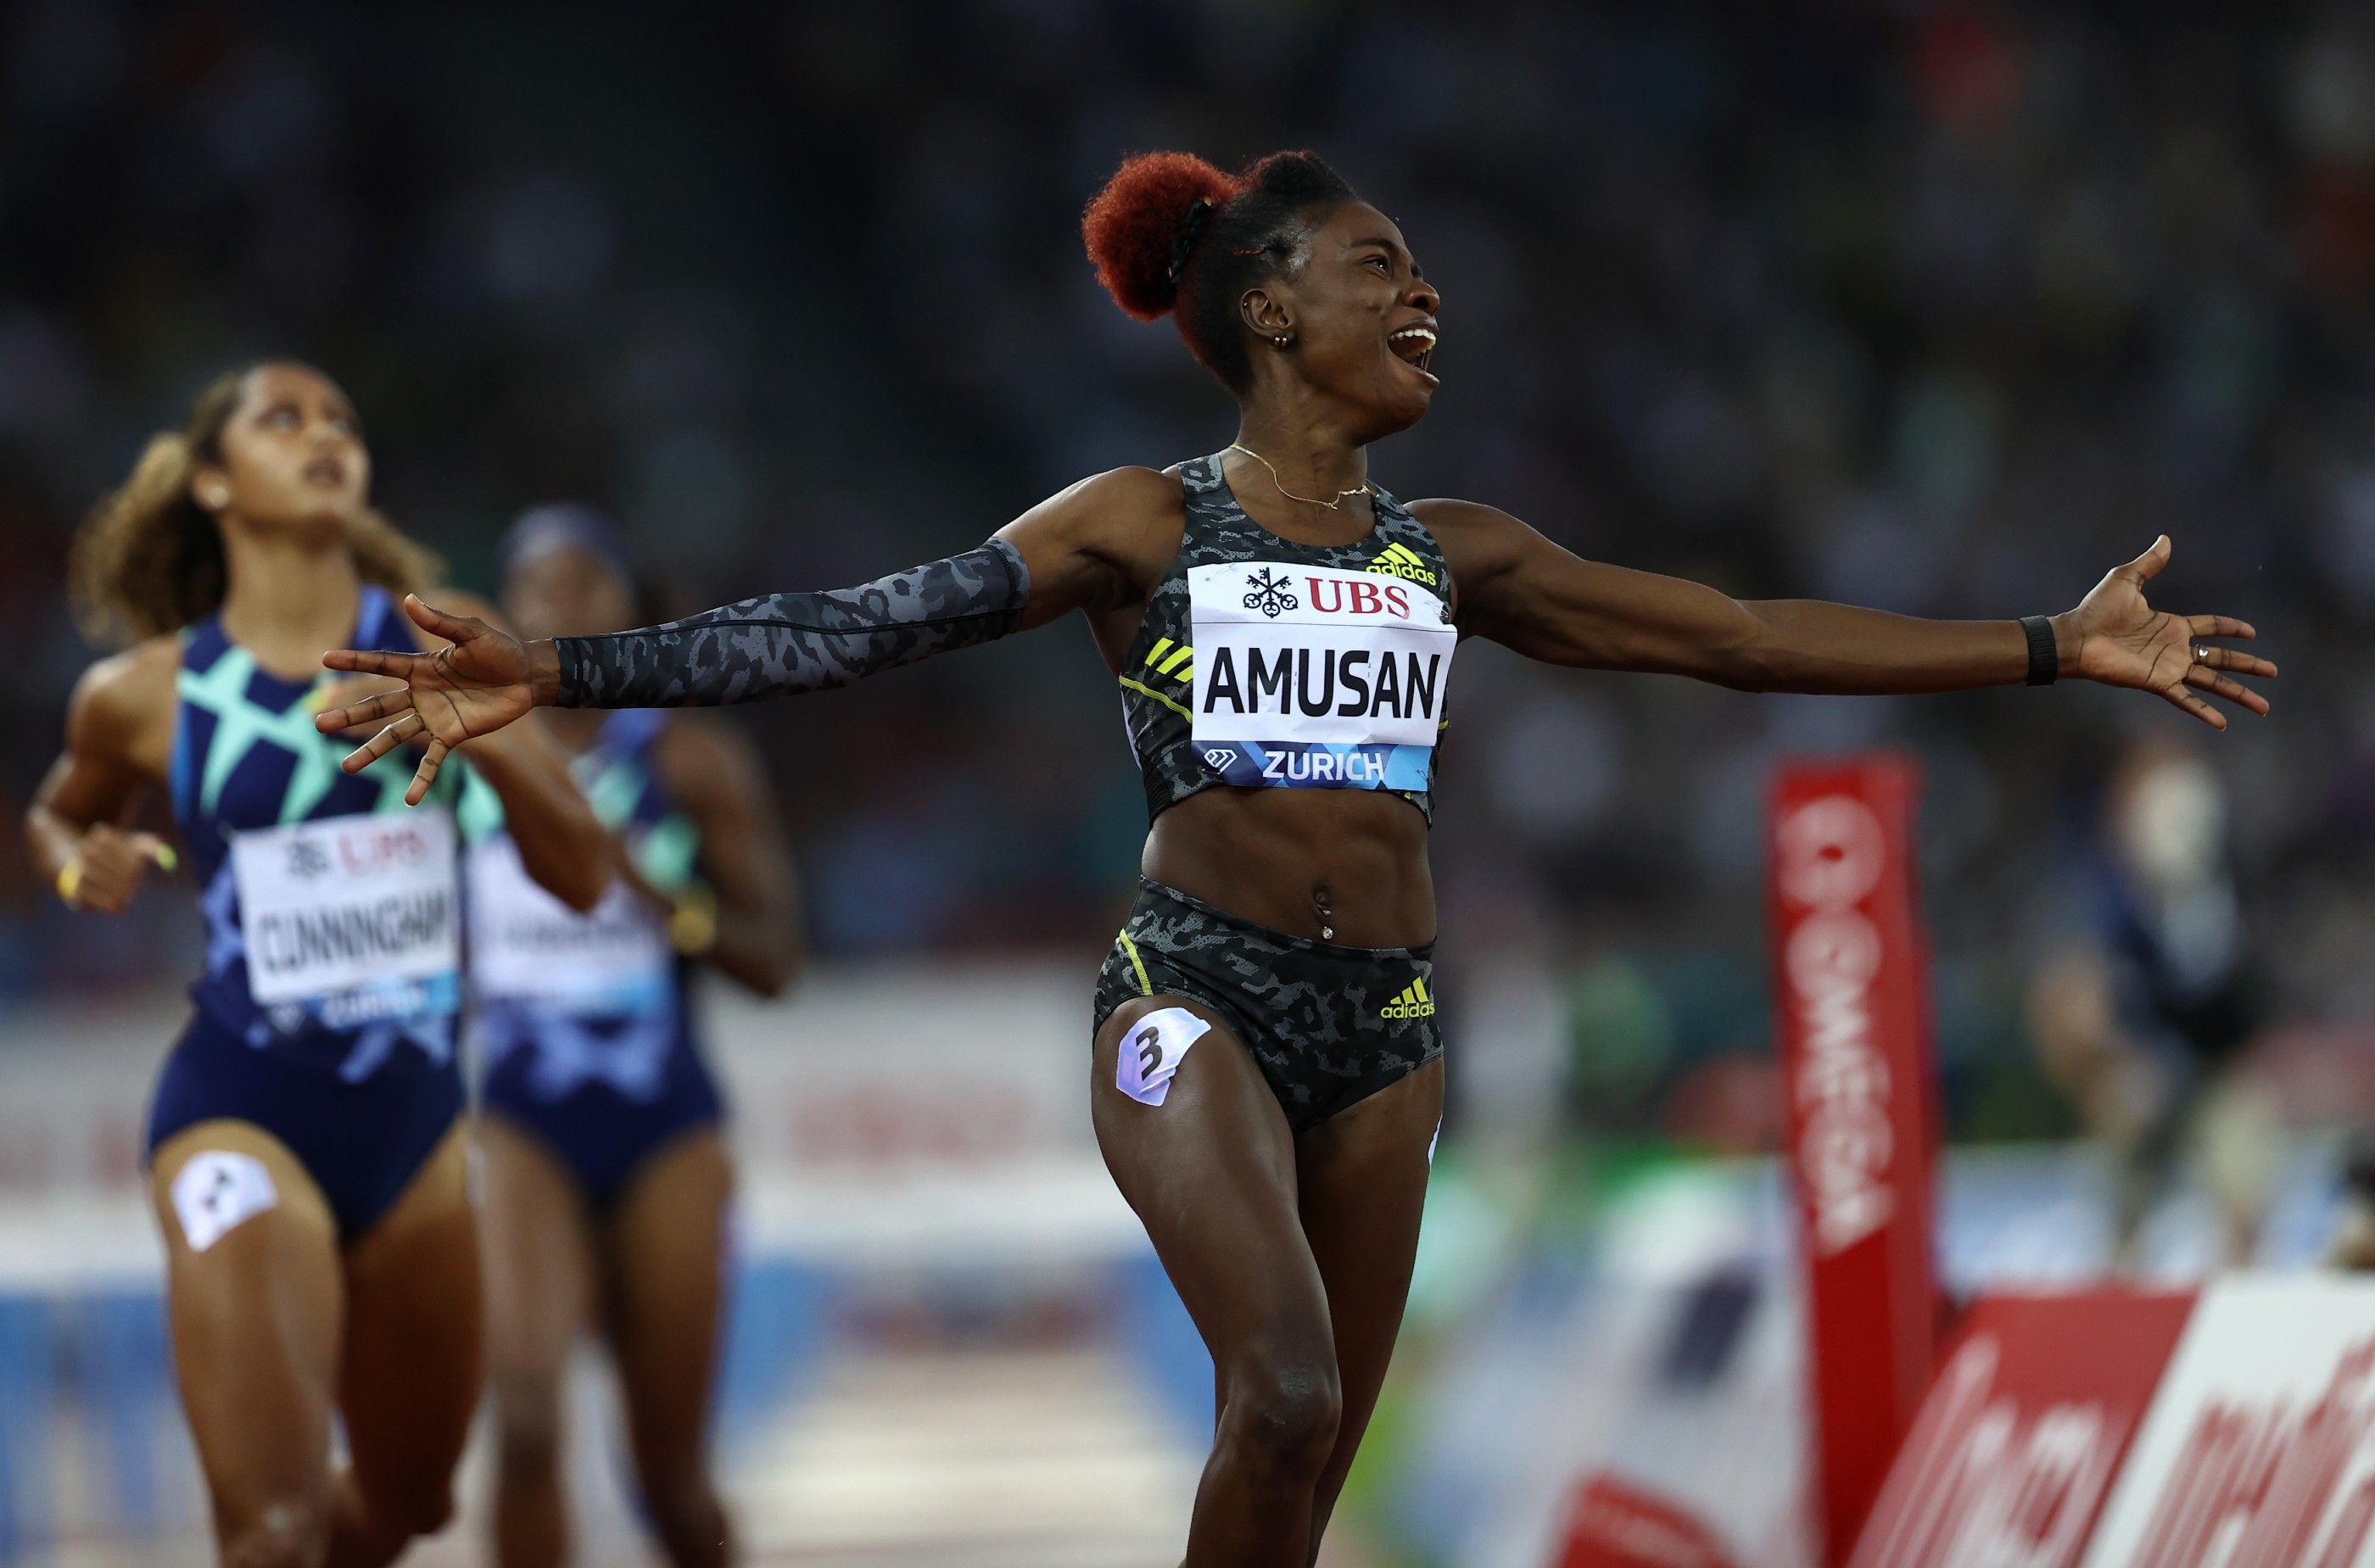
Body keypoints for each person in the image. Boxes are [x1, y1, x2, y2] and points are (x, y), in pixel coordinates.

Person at [312, 151, 2277, 1566]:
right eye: (1382, 267)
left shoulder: (1458, 552)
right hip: (1195, 1000)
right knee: (1287, 1391)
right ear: (1272, 305)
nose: (1427, 300)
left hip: (1392, 1030)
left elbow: (1745, 635)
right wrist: (566, 668)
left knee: (1303, 1488)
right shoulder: (1139, 528)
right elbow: (866, 618)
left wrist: (2051, 641)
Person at [25, 363, 611, 1568]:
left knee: (408, 1508)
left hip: (418, 1136)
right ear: (211, 481)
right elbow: (54, 819)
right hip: (242, 1111)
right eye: (282, 421)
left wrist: (484, 739)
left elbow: (586, 875)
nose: (325, 435)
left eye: (344, 418)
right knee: (271, 1532)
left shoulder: (441, 634)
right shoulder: (140, 694)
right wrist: (81, 864)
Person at [465, 506, 802, 1568]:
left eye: (584, 584)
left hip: (664, 1124)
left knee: (668, 1480)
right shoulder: (472, 753)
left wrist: (666, 898)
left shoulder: (690, 759)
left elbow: (776, 963)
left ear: (631, 611)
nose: (558, 604)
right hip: (523, 1121)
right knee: (522, 1423)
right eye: (536, 586)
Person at [2027, 737, 2277, 1269]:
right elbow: (2073, 1000)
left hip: (2215, 1068)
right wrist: (2121, 1060)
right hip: (2140, 1067)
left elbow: (2247, 987)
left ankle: (2237, 1297)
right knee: (2128, 1184)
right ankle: (2120, 1285)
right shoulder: (2105, 895)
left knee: (2244, 1174)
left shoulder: (2233, 877)